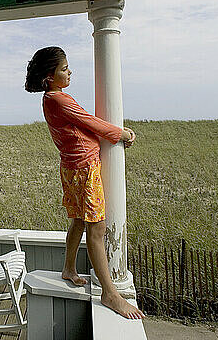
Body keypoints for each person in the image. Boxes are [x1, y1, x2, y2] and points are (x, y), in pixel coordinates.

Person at [24, 46, 145, 320]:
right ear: (48, 77)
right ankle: (110, 293)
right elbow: (90, 123)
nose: (70, 72)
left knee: (79, 220)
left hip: (71, 167)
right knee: (97, 228)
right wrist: (121, 134)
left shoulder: (49, 99)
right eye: (64, 69)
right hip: (84, 168)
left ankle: (69, 268)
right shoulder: (59, 100)